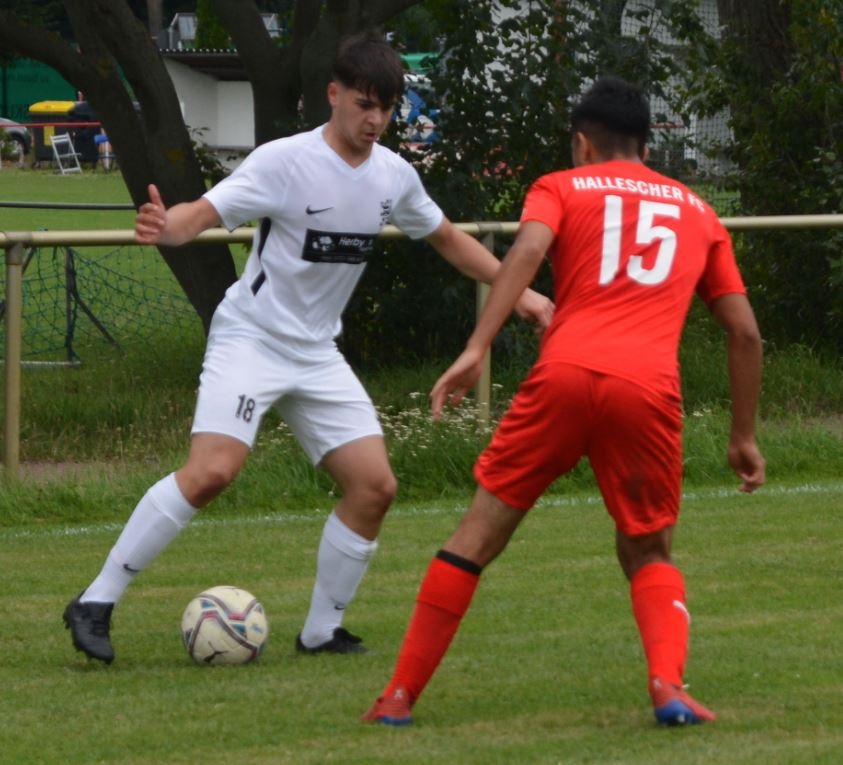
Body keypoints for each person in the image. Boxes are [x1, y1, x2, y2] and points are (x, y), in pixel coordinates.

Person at [62, 31, 554, 665]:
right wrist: (166, 228)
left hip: (317, 353)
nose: (375, 119)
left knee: (374, 487)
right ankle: (96, 600)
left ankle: (322, 631)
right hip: (252, 337)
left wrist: (522, 294)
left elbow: (449, 240)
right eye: (364, 104)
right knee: (212, 472)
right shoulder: (284, 162)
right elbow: (201, 215)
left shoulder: (394, 175)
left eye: (386, 107)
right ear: (334, 94)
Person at [363, 75, 766, 727]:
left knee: (476, 536)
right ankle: (667, 686)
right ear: (646, 145)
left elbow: (527, 249)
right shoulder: (698, 211)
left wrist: (477, 346)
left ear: (582, 144)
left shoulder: (561, 186)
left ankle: (398, 696)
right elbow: (743, 332)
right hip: (645, 389)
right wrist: (742, 435)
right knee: (647, 550)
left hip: (564, 374)